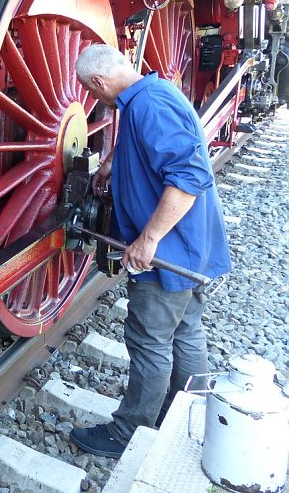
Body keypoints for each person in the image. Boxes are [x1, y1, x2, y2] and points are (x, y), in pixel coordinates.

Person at [68, 44, 232, 458]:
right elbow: (153, 152)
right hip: (191, 250)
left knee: (149, 340)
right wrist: (113, 164)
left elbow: (189, 176)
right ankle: (188, 411)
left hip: (169, 254)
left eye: (92, 91)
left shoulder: (148, 108)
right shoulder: (150, 94)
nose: (95, 99)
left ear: (99, 82)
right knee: (186, 330)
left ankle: (129, 430)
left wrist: (150, 238)